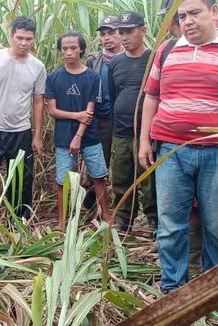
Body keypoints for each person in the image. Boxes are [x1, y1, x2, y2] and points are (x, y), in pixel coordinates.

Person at [139, 0, 218, 292]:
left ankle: (214, 293)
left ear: (214, 12)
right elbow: (152, 97)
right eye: (182, 16)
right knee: (171, 227)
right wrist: (144, 140)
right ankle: (173, 289)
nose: (187, 21)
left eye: (195, 13)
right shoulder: (168, 49)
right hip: (171, 152)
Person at [0, 16, 46, 219]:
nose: (24, 43)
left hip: (21, 130)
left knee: (22, 178)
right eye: (19, 37)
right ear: (11, 36)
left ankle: (19, 220)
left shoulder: (37, 67)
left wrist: (37, 135)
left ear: (33, 39)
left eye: (29, 39)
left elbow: (37, 101)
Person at [45, 31, 111, 230]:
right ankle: (62, 222)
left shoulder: (92, 77)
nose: (68, 52)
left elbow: (89, 112)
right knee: (62, 180)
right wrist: (76, 116)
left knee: (99, 176)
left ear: (81, 49)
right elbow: (53, 111)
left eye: (73, 48)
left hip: (90, 136)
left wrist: (78, 135)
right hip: (63, 137)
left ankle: (107, 217)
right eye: (64, 48)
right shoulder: (54, 77)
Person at [108, 11, 157, 232]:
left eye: (129, 32)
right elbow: (112, 96)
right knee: (121, 177)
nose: (124, 37)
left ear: (143, 30)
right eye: (121, 32)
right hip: (121, 132)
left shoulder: (154, 58)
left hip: (146, 133)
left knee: (149, 180)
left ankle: (153, 221)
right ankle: (124, 220)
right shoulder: (116, 63)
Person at [82, 15, 124, 210]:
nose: (107, 38)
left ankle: (123, 207)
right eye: (104, 34)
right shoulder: (93, 60)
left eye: (112, 33)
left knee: (123, 163)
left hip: (123, 119)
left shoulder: (130, 58)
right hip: (100, 118)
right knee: (98, 160)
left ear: (121, 33)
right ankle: (90, 205)